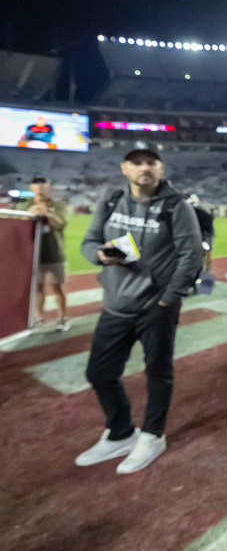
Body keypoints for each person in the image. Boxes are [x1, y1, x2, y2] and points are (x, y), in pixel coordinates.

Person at [75, 140, 203, 474]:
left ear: (161, 168)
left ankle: (152, 435)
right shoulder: (112, 200)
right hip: (116, 304)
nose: (144, 168)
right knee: (99, 373)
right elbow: (88, 243)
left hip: (154, 307)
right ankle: (120, 432)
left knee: (157, 372)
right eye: (136, 162)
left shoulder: (176, 206)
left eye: (151, 162)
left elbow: (191, 256)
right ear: (124, 168)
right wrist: (100, 255)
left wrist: (166, 300)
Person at [17, 176, 69, 331]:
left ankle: (62, 318)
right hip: (33, 255)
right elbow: (18, 224)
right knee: (38, 288)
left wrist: (47, 213)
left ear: (48, 186)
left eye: (43, 183)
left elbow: (62, 224)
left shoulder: (56, 205)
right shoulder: (25, 205)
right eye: (36, 184)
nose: (39, 187)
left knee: (57, 287)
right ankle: (38, 317)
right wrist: (31, 212)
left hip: (53, 252)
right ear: (31, 187)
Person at [187, 194, 215, 274]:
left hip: (203, 236)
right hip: (201, 236)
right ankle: (205, 271)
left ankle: (205, 272)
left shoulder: (201, 213)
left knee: (205, 253)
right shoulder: (203, 212)